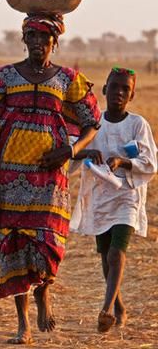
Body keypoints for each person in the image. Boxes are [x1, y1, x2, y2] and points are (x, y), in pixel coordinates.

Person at [0, 14, 101, 345]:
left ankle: (44, 295)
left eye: (45, 37)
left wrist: (70, 151)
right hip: (7, 176)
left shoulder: (68, 80)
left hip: (49, 178)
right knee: (13, 245)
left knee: (46, 243)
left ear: (56, 42)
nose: (39, 43)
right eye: (33, 36)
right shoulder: (5, 77)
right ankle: (23, 324)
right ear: (23, 39)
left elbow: (91, 125)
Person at [70, 66, 157, 333]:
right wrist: (88, 153)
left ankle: (106, 309)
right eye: (114, 87)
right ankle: (118, 305)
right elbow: (72, 150)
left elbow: (149, 162)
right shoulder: (94, 125)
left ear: (131, 96)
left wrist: (123, 161)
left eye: (125, 89)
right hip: (100, 197)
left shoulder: (137, 124)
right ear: (105, 90)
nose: (119, 92)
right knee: (105, 255)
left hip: (126, 196)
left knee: (117, 252)